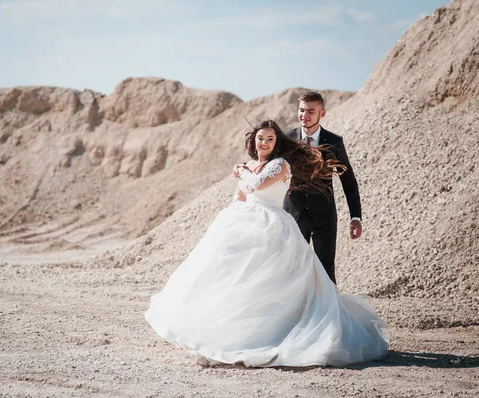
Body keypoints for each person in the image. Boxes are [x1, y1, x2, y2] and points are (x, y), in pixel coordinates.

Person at [145, 120, 389, 368]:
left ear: (276, 143)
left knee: (267, 282)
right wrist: (228, 218)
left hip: (272, 225)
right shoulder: (250, 165)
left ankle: (267, 334)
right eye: (260, 138)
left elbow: (257, 185)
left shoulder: (279, 165)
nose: (264, 142)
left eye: (270, 139)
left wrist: (241, 172)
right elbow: (242, 194)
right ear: (253, 140)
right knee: (229, 277)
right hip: (243, 222)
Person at [284, 91, 362, 284]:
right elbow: (267, 163)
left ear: (322, 113)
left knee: (326, 271)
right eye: (302, 110)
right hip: (293, 214)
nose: (305, 115)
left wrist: (355, 217)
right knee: (292, 268)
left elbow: (349, 181)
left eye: (311, 111)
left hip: (324, 215)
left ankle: (329, 312)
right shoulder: (286, 140)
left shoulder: (334, 142)